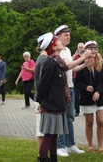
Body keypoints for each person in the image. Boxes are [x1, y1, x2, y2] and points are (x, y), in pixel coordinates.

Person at [54, 25, 87, 157]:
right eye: (65, 35)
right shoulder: (57, 50)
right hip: (61, 87)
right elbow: (66, 66)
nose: (68, 37)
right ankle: (60, 146)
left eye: (69, 35)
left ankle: (70, 144)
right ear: (58, 36)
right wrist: (83, 57)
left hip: (70, 86)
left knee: (70, 117)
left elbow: (71, 69)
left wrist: (85, 64)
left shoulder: (67, 50)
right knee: (62, 117)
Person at [36, 32, 69, 162]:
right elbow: (42, 86)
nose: (61, 41)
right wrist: (42, 104)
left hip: (58, 104)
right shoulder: (50, 63)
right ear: (54, 46)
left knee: (54, 135)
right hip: (50, 105)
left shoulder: (58, 62)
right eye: (58, 41)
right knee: (48, 135)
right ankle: (43, 159)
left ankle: (53, 159)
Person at [75, 41, 103, 154]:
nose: (93, 50)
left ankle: (100, 146)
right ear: (86, 50)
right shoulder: (82, 64)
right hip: (86, 97)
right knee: (89, 122)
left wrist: (98, 91)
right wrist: (85, 87)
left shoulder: (102, 64)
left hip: (100, 96)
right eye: (90, 48)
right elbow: (77, 82)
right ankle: (90, 145)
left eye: (95, 48)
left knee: (101, 121)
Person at [33, 33, 49, 161]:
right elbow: (41, 83)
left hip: (42, 98)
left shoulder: (44, 59)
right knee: (41, 131)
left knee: (44, 130)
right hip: (41, 99)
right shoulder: (43, 59)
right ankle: (41, 156)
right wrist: (41, 102)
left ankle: (43, 155)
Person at [72, 42, 85, 117]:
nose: (81, 49)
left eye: (82, 47)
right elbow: (70, 62)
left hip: (85, 77)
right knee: (76, 95)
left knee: (84, 94)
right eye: (80, 47)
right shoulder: (75, 56)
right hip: (76, 77)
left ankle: (84, 110)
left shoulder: (86, 55)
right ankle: (77, 110)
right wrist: (75, 55)